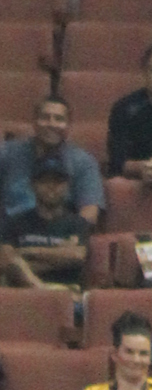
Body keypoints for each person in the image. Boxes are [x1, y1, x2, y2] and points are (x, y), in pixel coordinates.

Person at [0, 95, 102, 233]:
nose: (51, 124)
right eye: (45, 117)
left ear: (68, 125)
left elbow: (89, 213)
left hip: (60, 237)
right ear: (34, 122)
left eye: (59, 119)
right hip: (10, 236)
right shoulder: (7, 154)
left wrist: (72, 236)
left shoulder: (83, 162)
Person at [5, 152, 90, 284]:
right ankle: (44, 292)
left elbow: (77, 255)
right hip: (23, 292)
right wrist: (60, 256)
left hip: (67, 291)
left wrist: (26, 252)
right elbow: (8, 261)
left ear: (67, 185)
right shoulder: (15, 222)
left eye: (58, 182)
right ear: (32, 185)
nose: (51, 187)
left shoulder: (77, 223)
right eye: (44, 181)